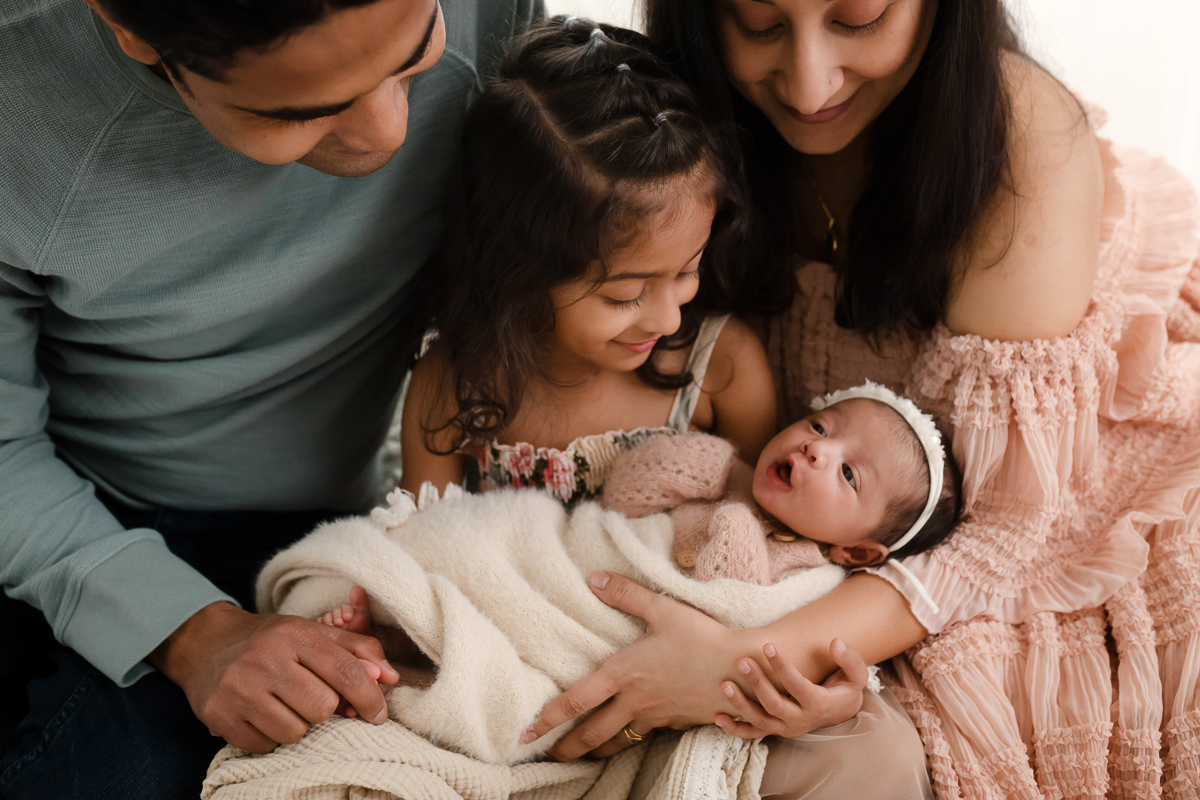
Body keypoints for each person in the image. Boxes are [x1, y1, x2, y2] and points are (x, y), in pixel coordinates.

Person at [517, 0, 1200, 796]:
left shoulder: (1019, 141)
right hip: (829, 538)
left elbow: (996, 539)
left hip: (1046, 524)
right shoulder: (668, 130)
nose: (809, 85)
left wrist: (742, 663)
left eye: (860, 18)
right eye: (761, 25)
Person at [0, 0, 539, 797]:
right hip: (81, 511)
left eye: (415, 53)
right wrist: (196, 635)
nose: (389, 135)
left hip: (345, 520)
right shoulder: (18, 87)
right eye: (302, 112)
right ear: (133, 32)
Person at [397, 17, 781, 503]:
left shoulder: (723, 369)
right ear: (521, 272)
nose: (668, 317)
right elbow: (417, 547)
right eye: (625, 294)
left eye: (688, 270)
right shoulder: (458, 385)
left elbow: (765, 537)